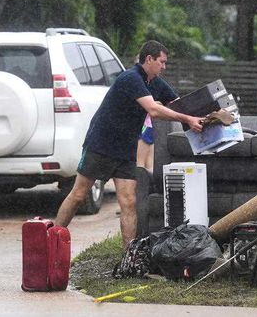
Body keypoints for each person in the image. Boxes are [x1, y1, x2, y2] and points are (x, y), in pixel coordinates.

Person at [55, 40, 203, 248]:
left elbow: (179, 103)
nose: (164, 67)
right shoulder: (130, 78)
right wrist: (187, 119)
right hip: (101, 143)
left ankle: (129, 256)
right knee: (78, 195)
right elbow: (153, 110)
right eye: (162, 62)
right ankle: (52, 239)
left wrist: (206, 116)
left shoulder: (155, 82)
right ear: (149, 59)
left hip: (124, 150)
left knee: (129, 202)